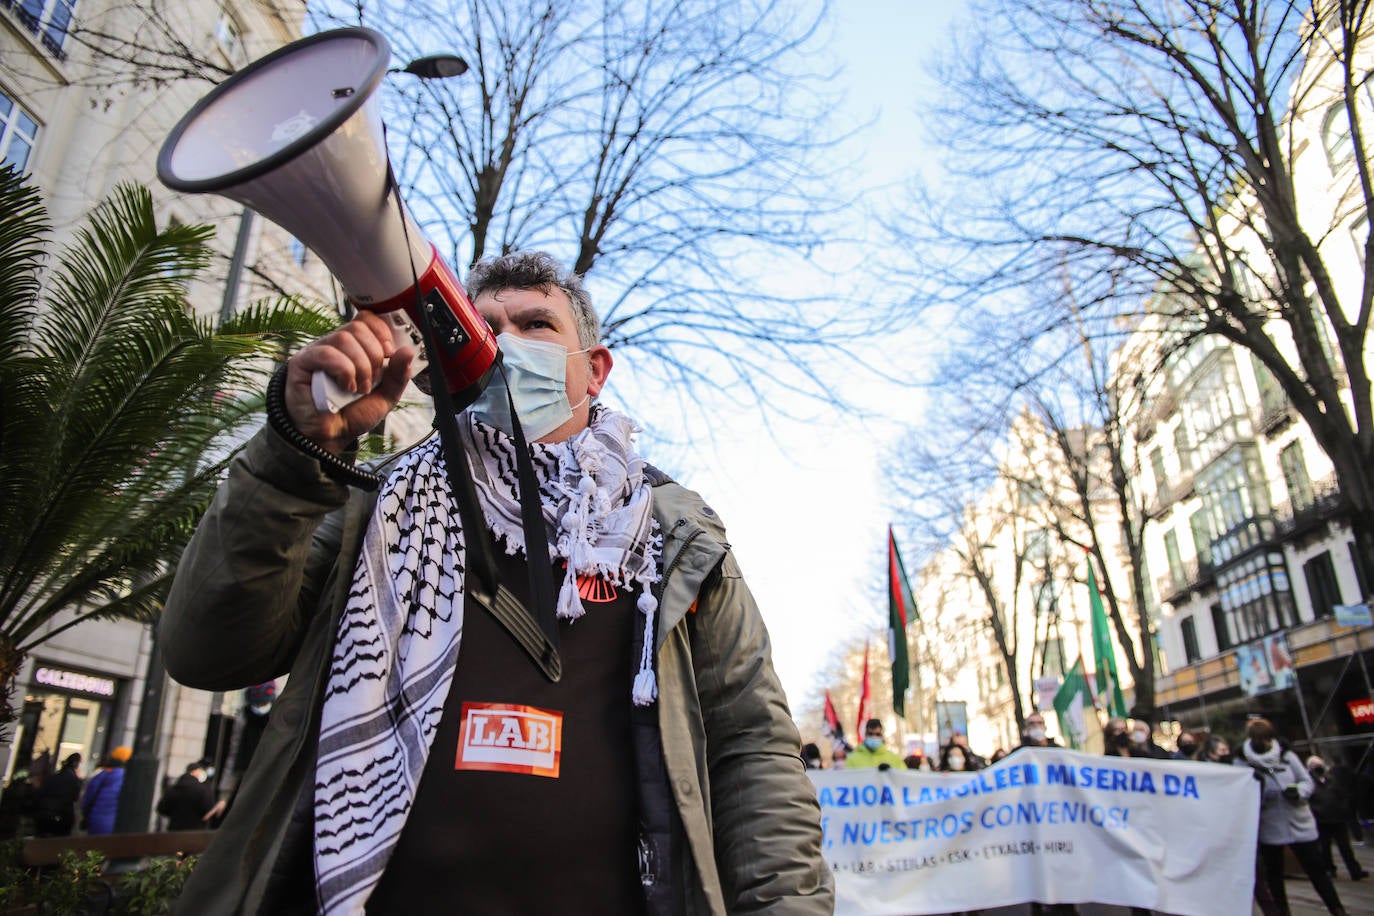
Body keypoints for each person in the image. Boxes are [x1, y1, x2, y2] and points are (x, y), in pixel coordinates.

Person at [158, 251, 833, 914]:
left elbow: (752, 748)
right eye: (483, 330)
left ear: (594, 371)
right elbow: (209, 652)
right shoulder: (372, 506)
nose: (503, 346)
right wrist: (292, 456)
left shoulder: (675, 538)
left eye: (536, 326)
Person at [1236, 719, 1348, 916]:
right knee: (1274, 876)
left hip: (1299, 823)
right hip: (1271, 826)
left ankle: (1336, 909)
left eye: (1269, 738)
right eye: (1262, 739)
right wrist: (1261, 795)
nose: (1267, 743)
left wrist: (1299, 792)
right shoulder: (1243, 761)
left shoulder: (1287, 755)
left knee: (1316, 870)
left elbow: (1306, 781)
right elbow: (1242, 795)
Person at [1308, 754, 1369, 881]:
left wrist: (1343, 808)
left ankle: (1355, 871)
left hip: (1338, 817)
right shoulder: (1309, 783)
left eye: (1320, 764)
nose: (1319, 767)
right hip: (1322, 820)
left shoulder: (1331, 778)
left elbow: (1342, 794)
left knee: (1345, 847)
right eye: (1315, 766)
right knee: (1325, 847)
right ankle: (1330, 869)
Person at [80, 747, 130, 836]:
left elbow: (88, 798)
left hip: (96, 820)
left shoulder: (101, 775)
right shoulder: (128, 778)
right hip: (118, 824)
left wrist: (86, 815)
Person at [158, 760, 218, 831]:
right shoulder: (203, 789)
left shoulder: (174, 788)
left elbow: (162, 808)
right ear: (195, 772)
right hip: (194, 831)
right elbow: (208, 809)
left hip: (174, 830)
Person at [32, 753, 81, 837]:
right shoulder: (73, 779)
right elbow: (74, 797)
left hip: (45, 813)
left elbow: (41, 793)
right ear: (76, 763)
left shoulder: (54, 777)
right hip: (61, 815)